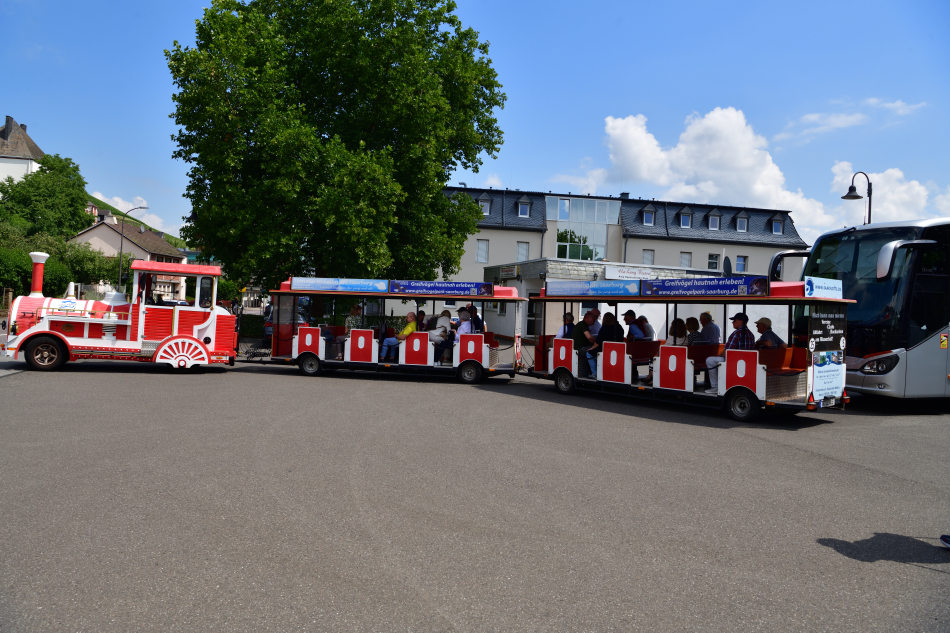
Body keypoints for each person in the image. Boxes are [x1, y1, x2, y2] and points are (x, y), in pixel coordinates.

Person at [705, 312, 756, 394]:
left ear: (741, 322)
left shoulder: (737, 333)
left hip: (734, 361)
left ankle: (715, 386)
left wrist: (721, 354)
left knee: (709, 360)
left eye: (734, 320)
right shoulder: (751, 334)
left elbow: (728, 350)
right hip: (746, 362)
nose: (732, 322)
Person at [572, 312, 598, 378]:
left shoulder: (583, 324)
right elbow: (589, 337)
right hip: (580, 349)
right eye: (593, 318)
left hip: (581, 347)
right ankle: (595, 373)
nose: (595, 319)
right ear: (588, 318)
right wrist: (597, 343)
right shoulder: (583, 324)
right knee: (597, 351)